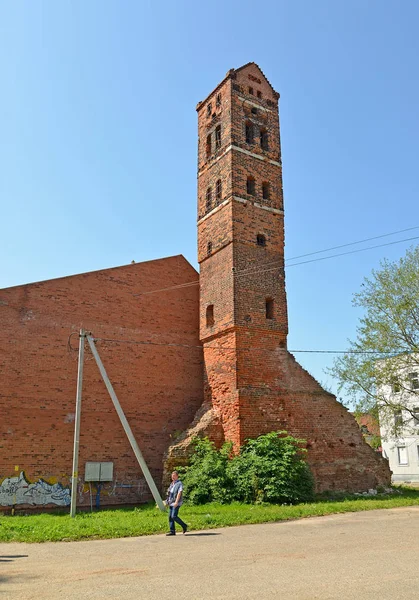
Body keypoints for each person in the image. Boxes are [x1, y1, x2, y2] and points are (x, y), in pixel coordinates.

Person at [166, 470, 188, 536]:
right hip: (171, 502)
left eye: (174, 476)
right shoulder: (172, 484)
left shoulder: (179, 483)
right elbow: (169, 494)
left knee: (174, 516)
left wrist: (176, 502)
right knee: (170, 516)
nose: (173, 477)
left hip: (176, 502)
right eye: (172, 476)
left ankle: (184, 525)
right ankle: (172, 531)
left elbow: (179, 493)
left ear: (177, 476)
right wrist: (167, 502)